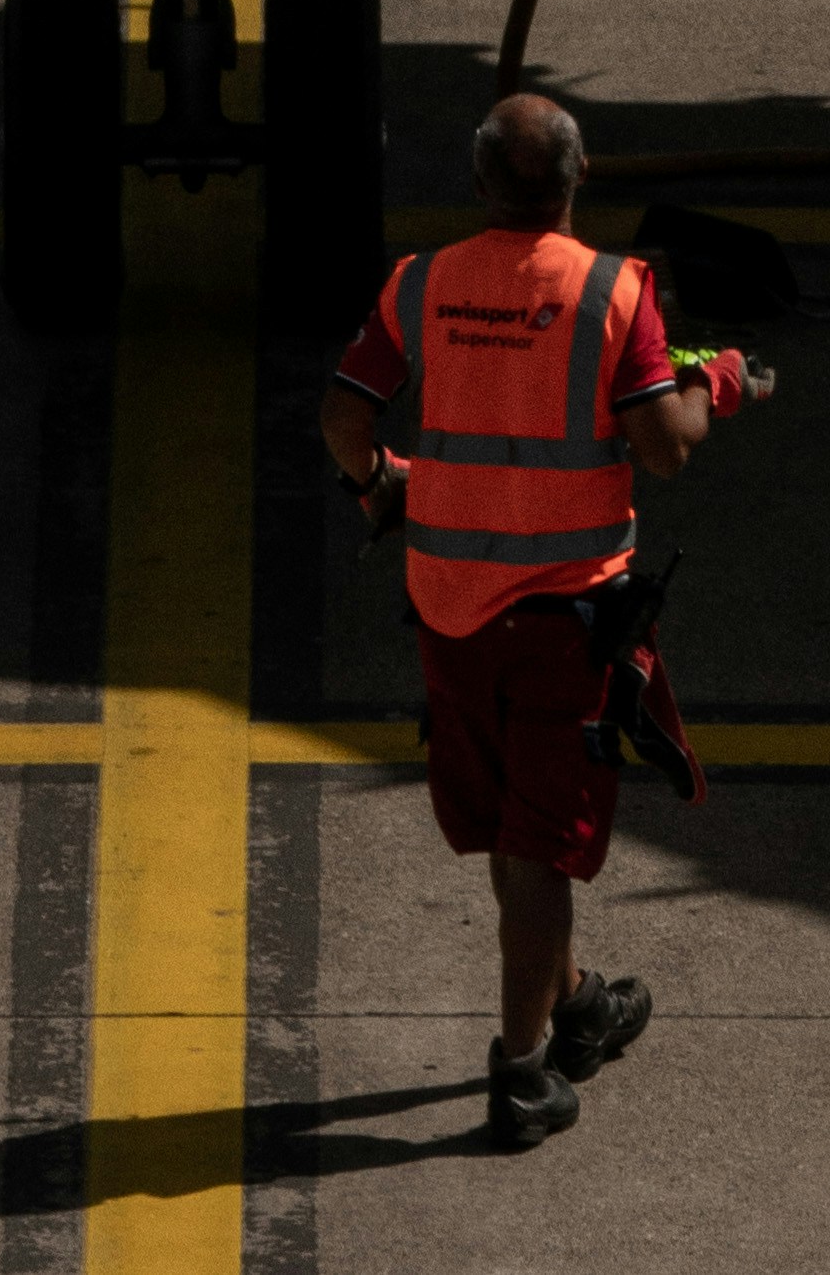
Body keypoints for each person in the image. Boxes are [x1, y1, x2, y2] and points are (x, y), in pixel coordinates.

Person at [319, 91, 774, 1151]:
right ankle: (522, 1075)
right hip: (563, 620)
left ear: (480, 182)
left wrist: (382, 482)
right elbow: (662, 447)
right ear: (580, 176)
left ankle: (574, 1005)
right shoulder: (616, 291)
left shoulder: (419, 283)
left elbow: (343, 414)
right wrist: (720, 387)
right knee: (539, 850)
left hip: (448, 611)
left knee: (508, 829)